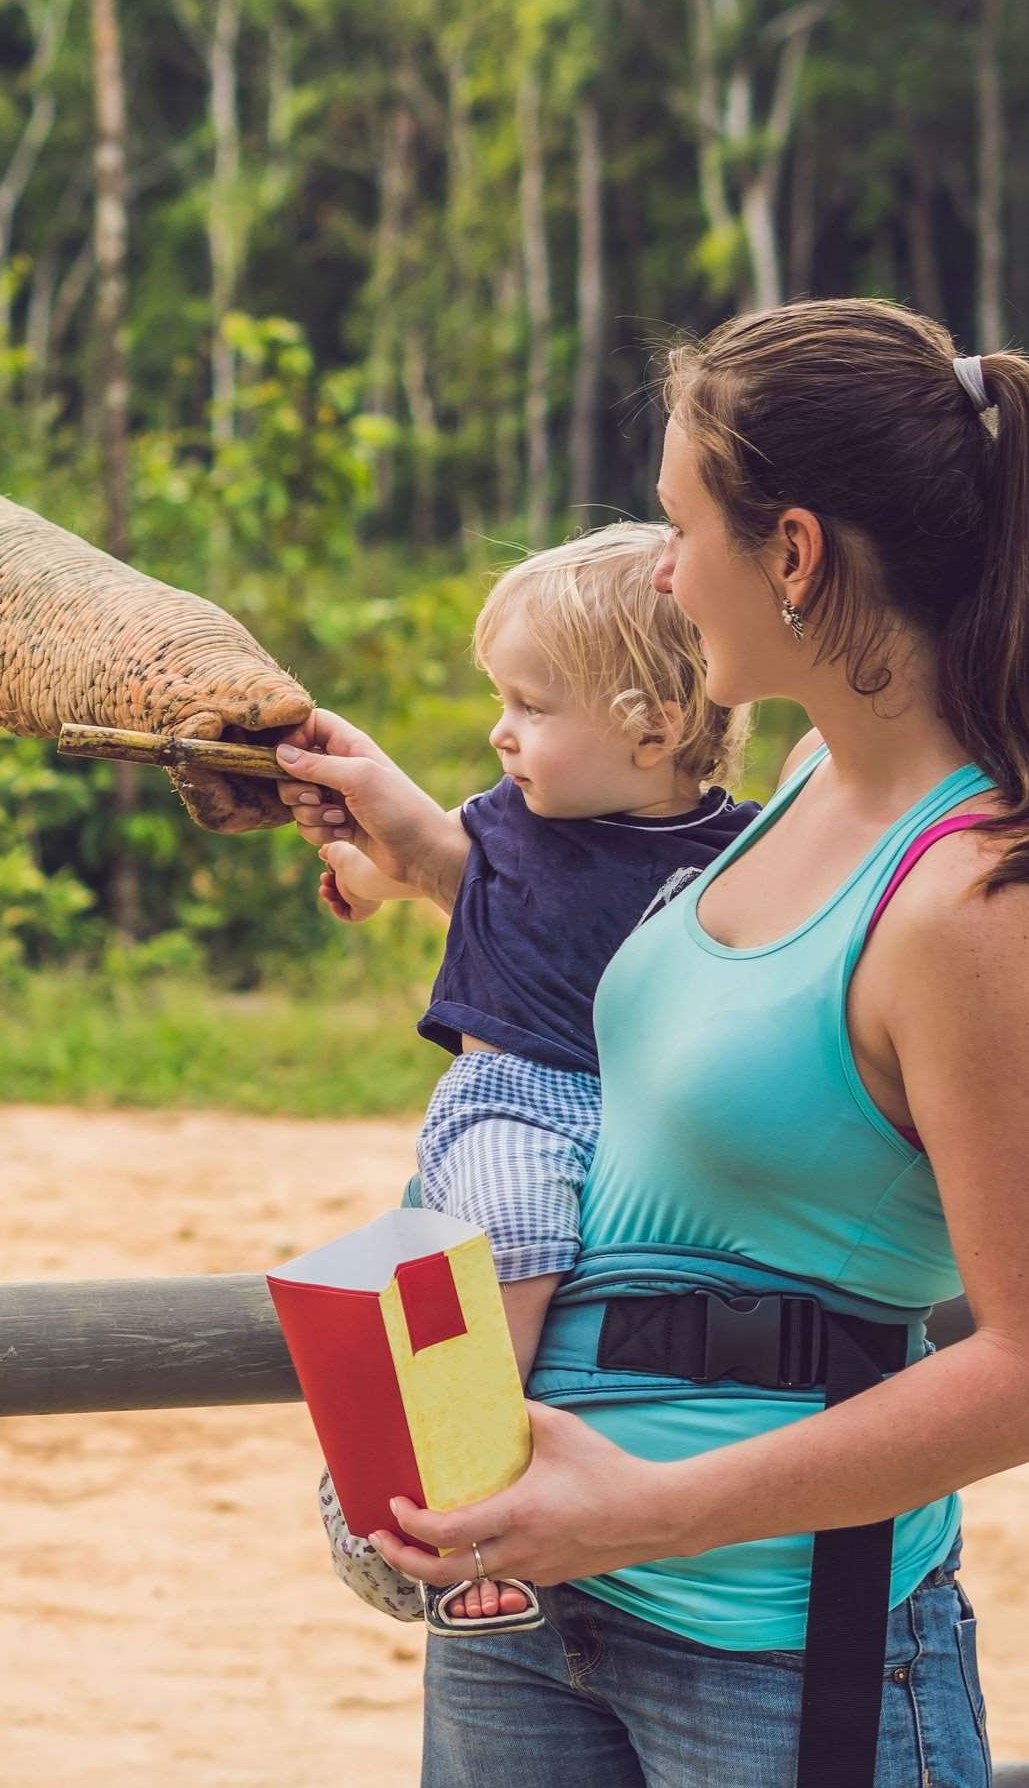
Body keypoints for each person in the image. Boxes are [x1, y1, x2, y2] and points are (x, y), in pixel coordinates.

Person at [275, 298, 1029, 1788]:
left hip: (772, 1643)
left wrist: (642, 1512)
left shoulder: (975, 894)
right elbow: (694, 1034)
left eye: (683, 526)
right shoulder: (811, 783)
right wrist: (427, 853)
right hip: (541, 1605)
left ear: (797, 554)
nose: (665, 571)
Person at [308, 523, 758, 1636]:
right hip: (515, 1100)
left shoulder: (743, 852)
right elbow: (393, 855)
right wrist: (355, 876)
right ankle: (454, 1489)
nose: (502, 733)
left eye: (533, 706)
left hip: (643, 1119)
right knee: (507, 1233)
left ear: (650, 726)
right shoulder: (506, 824)